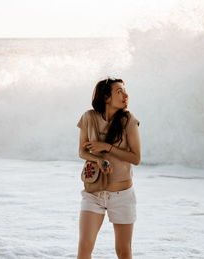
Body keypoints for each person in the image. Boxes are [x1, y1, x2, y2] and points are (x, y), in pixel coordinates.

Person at [76, 77, 141, 259]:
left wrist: (107, 148)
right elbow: (82, 152)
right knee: (84, 250)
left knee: (123, 251)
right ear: (106, 98)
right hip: (93, 193)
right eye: (119, 91)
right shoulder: (88, 117)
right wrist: (98, 160)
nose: (125, 95)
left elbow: (136, 158)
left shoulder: (128, 121)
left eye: (125, 90)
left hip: (122, 196)